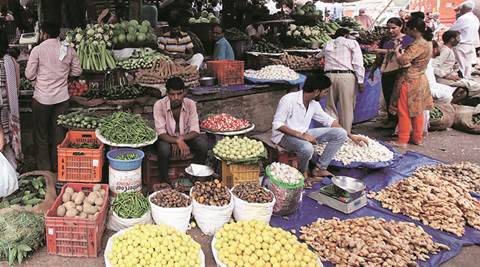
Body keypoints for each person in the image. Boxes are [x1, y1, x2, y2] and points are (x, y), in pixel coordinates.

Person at [272, 74, 367, 179]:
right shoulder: (289, 100)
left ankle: (320, 169)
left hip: (304, 133)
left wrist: (351, 136)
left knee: (341, 133)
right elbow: (277, 125)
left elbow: (329, 121)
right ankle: (302, 172)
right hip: (283, 137)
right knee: (307, 148)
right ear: (317, 91)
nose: (325, 95)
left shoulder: (313, 104)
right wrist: (301, 136)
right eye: (325, 92)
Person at [25, 22, 82, 171]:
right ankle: (59, 169)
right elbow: (77, 72)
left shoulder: (37, 50)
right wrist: (63, 75)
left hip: (42, 99)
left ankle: (45, 171)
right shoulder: (69, 50)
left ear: (44, 34)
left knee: (41, 135)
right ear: (58, 34)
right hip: (62, 99)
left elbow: (29, 74)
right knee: (59, 134)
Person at [388, 17, 434, 147]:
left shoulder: (418, 44)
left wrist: (397, 51)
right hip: (421, 77)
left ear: (414, 29)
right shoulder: (428, 42)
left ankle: (402, 140)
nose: (406, 31)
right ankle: (417, 138)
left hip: (409, 79)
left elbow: (403, 60)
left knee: (404, 111)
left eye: (407, 29)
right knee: (417, 110)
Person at [154, 77, 208, 184]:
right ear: (167, 94)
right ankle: (165, 181)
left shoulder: (190, 104)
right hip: (167, 139)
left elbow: (195, 130)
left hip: (186, 137)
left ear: (184, 92)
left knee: (202, 145)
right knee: (163, 149)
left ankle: (195, 176)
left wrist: (181, 139)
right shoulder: (159, 105)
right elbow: (161, 133)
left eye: (179, 94)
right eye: (172, 94)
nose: (176, 97)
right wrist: (176, 141)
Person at [369, 17, 414, 129]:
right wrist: (373, 70)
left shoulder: (408, 40)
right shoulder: (386, 40)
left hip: (400, 73)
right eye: (388, 28)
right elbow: (379, 57)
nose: (391, 31)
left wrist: (384, 51)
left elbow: (404, 55)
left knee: (398, 98)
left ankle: (399, 123)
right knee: (388, 96)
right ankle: (391, 120)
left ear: (401, 27)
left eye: (394, 28)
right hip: (386, 73)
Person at [323, 28, 365, 134]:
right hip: (346, 76)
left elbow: (320, 55)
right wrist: (360, 81)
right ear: (346, 35)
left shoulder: (328, 43)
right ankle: (346, 134)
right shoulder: (351, 43)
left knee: (330, 106)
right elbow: (357, 62)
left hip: (328, 76)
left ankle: (332, 133)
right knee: (346, 106)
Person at [0, 32, 21, 170]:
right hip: (9, 114)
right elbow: (17, 86)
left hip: (1, 116)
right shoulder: (11, 61)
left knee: (4, 146)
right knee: (8, 147)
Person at [450, 1, 480, 78]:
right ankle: (467, 79)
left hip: (461, 45)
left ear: (463, 9)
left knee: (461, 66)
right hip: (470, 45)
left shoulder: (463, 18)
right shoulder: (475, 18)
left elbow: (452, 30)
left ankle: (463, 82)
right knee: (467, 65)